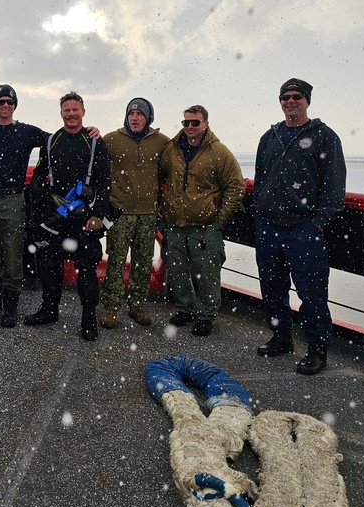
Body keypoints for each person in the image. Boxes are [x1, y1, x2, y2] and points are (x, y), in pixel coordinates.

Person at [253, 78, 346, 375]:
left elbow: (334, 183)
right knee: (272, 287)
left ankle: (317, 349)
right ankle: (281, 338)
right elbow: (260, 176)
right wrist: (260, 210)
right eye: (285, 97)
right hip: (268, 226)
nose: (290, 101)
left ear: (307, 100)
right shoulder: (270, 137)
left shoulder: (324, 137)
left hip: (303, 229)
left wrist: (319, 222)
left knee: (312, 293)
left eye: (297, 97)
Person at [25, 92, 111, 341]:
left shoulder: (95, 142)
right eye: (66, 110)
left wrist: (98, 215)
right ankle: (49, 310)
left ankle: (88, 317)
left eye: (75, 110)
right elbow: (40, 176)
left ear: (83, 112)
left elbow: (105, 181)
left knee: (86, 269)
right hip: (55, 217)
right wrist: (40, 212)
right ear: (61, 113)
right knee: (49, 266)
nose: (71, 114)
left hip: (83, 219)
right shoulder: (52, 141)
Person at [160, 105, 245, 337]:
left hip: (206, 226)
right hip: (175, 224)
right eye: (185, 122)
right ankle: (186, 308)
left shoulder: (219, 152)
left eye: (195, 122)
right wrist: (162, 207)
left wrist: (220, 219)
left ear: (206, 124)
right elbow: (157, 177)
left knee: (207, 272)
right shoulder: (172, 149)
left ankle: (206, 314)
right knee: (177, 270)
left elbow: (236, 186)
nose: (189, 127)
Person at [0, 84, 50, 328]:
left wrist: (88, 132)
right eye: (1, 101)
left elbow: (56, 140)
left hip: (13, 199)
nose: (5, 105)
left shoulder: (26, 132)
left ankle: (11, 306)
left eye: (9, 102)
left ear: (15, 105)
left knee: (13, 253)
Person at [99, 98, 170, 329]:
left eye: (140, 114)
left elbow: (178, 163)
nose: (135, 117)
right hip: (120, 213)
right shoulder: (111, 140)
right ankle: (111, 307)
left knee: (142, 262)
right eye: (132, 113)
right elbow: (92, 159)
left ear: (149, 117)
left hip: (148, 214)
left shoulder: (162, 142)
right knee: (116, 261)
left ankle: (137, 305)